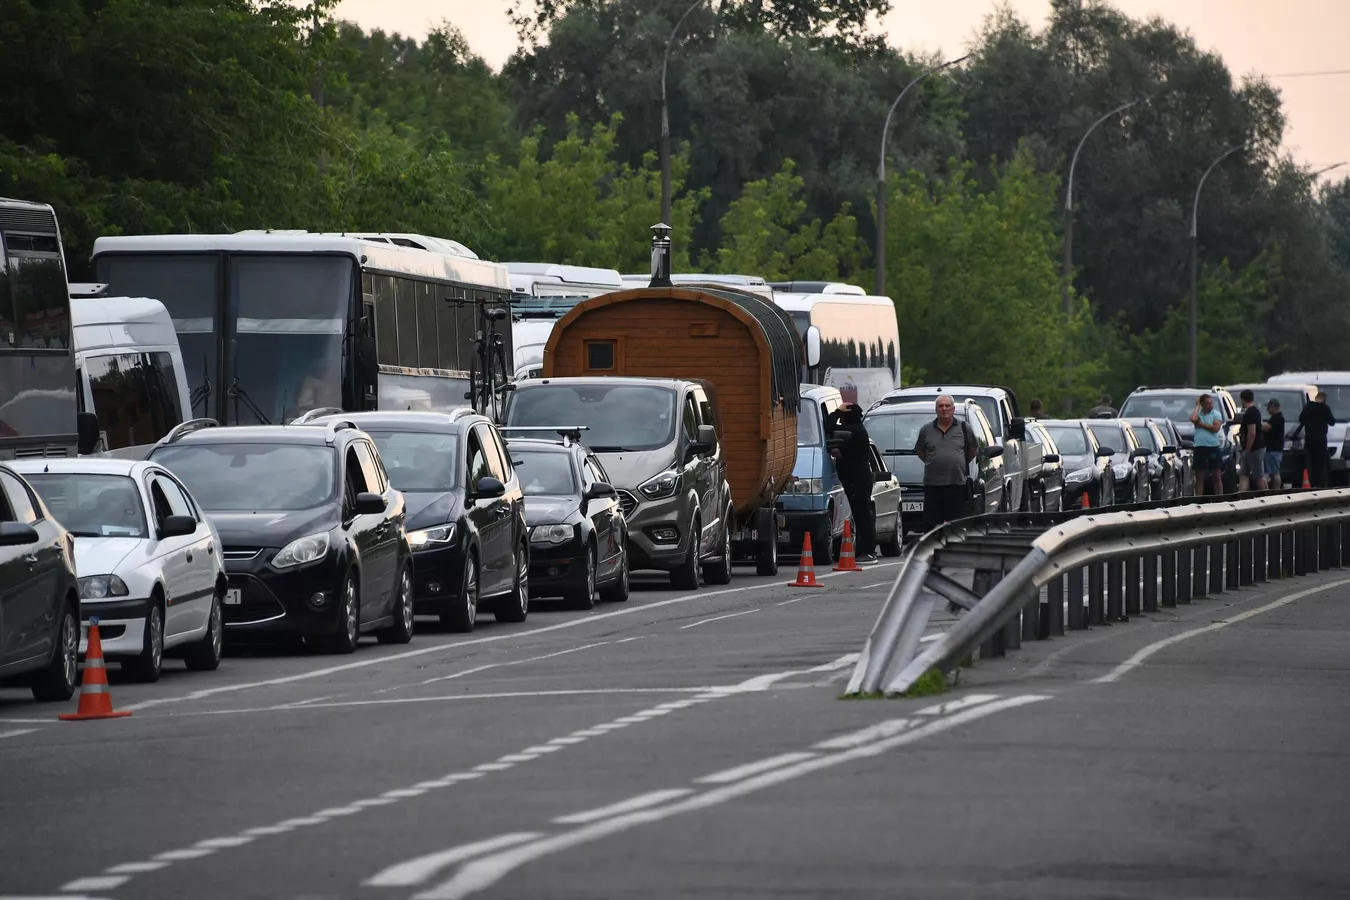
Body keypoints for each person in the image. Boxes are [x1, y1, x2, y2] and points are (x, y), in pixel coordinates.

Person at [914, 395, 978, 533]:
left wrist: (958, 462)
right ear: (936, 409)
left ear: (953, 409)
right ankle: (932, 552)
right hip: (933, 486)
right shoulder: (926, 430)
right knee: (931, 526)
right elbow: (920, 451)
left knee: (956, 525)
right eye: (940, 406)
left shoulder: (964, 428)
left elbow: (972, 450)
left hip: (956, 484)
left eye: (947, 406)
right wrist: (934, 461)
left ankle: (954, 551)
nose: (944, 409)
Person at [825, 403, 877, 563]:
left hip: (858, 479)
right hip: (857, 478)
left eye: (842, 416)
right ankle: (864, 550)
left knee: (862, 515)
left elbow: (829, 427)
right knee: (860, 514)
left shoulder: (853, 430)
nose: (841, 419)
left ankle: (868, 551)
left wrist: (836, 412)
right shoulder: (855, 429)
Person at [1295, 391, 1337, 487]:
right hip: (1320, 439)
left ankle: (1309, 481)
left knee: (1309, 461)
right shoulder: (1325, 408)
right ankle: (1319, 483)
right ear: (1324, 399)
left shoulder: (1308, 407)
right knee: (1320, 462)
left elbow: (1301, 419)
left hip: (1309, 438)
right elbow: (1332, 422)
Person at [1189, 392, 1225, 496]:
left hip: (1213, 447)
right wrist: (1197, 406)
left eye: (1211, 403)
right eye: (1208, 403)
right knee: (1200, 475)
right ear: (1203, 404)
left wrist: (1201, 424)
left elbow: (1215, 428)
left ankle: (1219, 498)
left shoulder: (1216, 414)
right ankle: (1199, 499)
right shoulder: (1198, 413)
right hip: (1200, 447)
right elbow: (1193, 419)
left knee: (1216, 475)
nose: (1210, 405)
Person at [1237, 389, 1266, 492]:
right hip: (1248, 450)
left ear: (1243, 399)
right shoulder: (1254, 411)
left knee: (1258, 476)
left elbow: (1252, 432)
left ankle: (1265, 496)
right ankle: (1242, 496)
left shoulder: (1251, 413)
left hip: (1254, 449)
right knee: (1243, 474)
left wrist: (1248, 449)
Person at [1261, 397, 1286, 490]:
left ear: (1274, 407)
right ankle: (1274, 490)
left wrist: (1257, 423)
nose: (1267, 409)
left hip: (1274, 449)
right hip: (1272, 449)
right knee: (1272, 472)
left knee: (1274, 473)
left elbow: (1267, 427)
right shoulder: (1274, 418)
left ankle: (1276, 491)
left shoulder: (1278, 418)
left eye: (1268, 407)